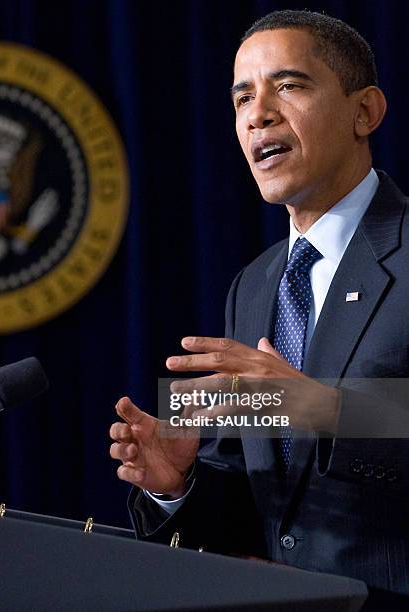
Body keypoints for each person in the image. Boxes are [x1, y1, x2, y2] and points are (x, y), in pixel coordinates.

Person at [109, 10, 408, 607]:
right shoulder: (255, 285)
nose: (258, 113)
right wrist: (182, 483)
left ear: (365, 111)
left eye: (290, 85)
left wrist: (321, 407)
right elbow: (275, 510)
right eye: (242, 97)